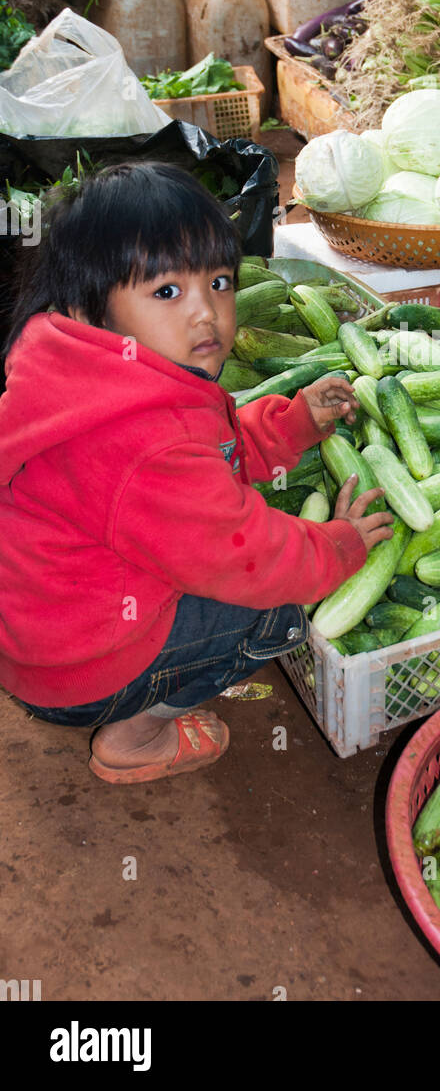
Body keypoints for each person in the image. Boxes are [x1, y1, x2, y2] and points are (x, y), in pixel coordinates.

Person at [0, 161, 393, 784]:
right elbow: (247, 557)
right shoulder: (140, 441)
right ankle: (133, 736)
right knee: (280, 606)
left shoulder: (95, 374)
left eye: (218, 282)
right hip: (82, 669)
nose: (206, 313)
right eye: (166, 293)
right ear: (91, 308)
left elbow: (214, 449)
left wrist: (290, 426)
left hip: (50, 634)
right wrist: (336, 549)